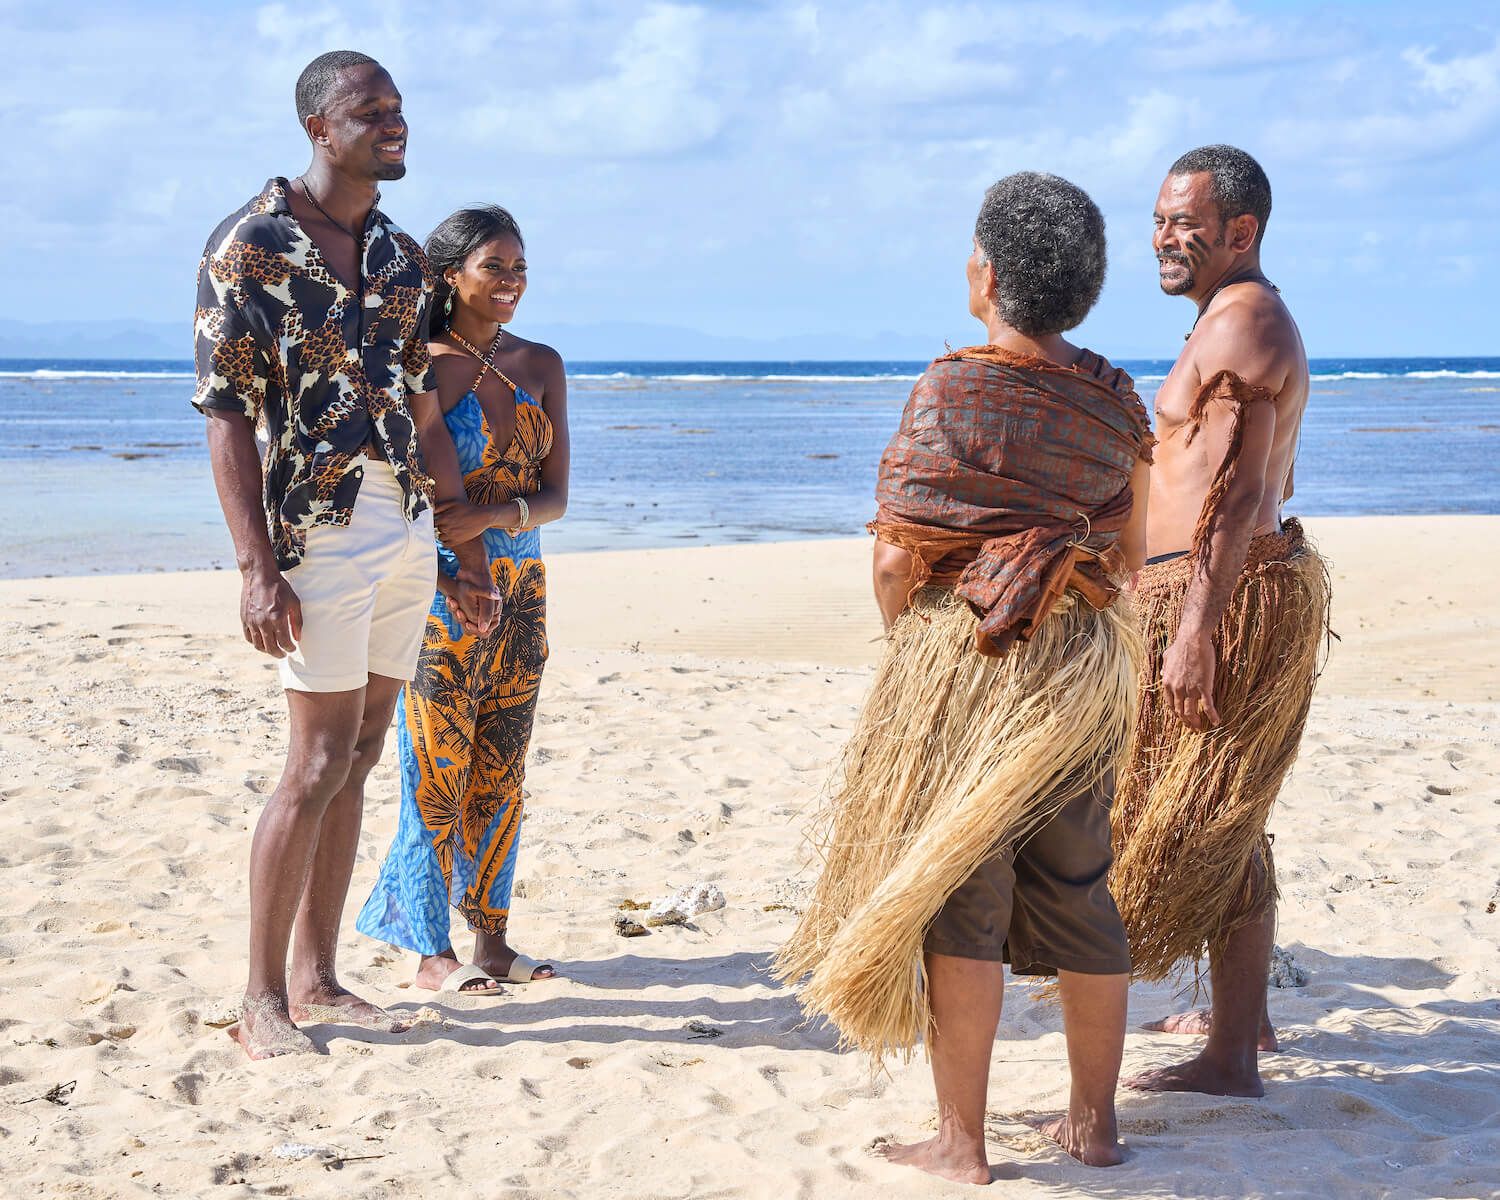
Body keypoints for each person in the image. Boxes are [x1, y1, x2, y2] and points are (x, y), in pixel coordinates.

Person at [775, 173, 1153, 1182]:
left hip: (971, 662)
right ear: (1086, 288)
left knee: (962, 902)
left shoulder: (953, 389)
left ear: (985, 274)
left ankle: (963, 1143)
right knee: (1080, 893)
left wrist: (915, 652)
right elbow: (1126, 557)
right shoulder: (1116, 397)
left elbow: (899, 557)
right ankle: (1093, 1124)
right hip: (1075, 671)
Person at [193, 51, 488, 1059]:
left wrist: (462, 547)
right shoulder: (252, 246)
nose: (394, 125)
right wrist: (253, 569)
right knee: (311, 761)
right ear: (320, 125)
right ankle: (260, 1002)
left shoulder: (403, 256)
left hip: (404, 523)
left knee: (361, 755)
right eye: (372, 112)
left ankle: (319, 981)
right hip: (314, 530)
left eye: (400, 110)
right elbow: (227, 415)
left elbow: (419, 404)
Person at [1110, 145, 1331, 1097]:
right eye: (1158, 218)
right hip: (1208, 591)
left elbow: (1239, 498)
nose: (1162, 237)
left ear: (1240, 231)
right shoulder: (1227, 317)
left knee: (1216, 811)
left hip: (1228, 598)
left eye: (1183, 222)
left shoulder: (1248, 328)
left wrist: (1194, 630)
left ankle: (1232, 1056)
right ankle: (1244, 1025)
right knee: (1220, 803)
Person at [356, 205, 570, 993]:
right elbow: (412, 494)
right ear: (451, 276)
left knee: (501, 768)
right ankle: (427, 950)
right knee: (434, 766)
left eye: (520, 267)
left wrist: (496, 514)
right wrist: (462, 550)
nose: (512, 282)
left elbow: (555, 497)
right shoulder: (422, 366)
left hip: (525, 588)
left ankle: (492, 942)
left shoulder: (541, 362)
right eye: (495, 268)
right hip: (441, 586)